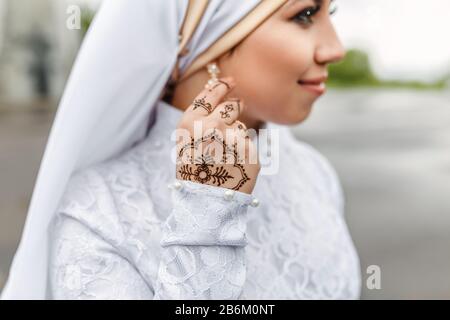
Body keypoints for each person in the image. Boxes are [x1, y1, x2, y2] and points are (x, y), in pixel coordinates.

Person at [1, 0, 361, 300]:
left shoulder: (314, 172)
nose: (335, 49)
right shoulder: (97, 212)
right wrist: (208, 216)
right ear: (209, 39)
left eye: (331, 14)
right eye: (305, 14)